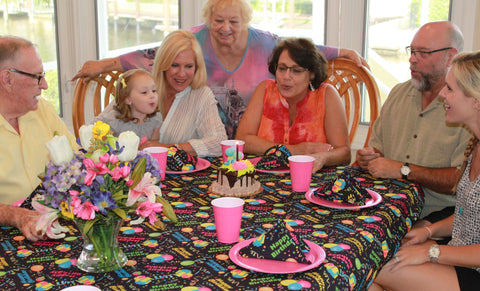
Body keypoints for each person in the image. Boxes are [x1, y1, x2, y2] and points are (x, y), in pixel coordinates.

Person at [73, 0, 367, 139]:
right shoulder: (195, 41)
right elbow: (154, 54)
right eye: (218, 20)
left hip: (248, 146)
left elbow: (302, 52)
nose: (226, 28)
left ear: (245, 22)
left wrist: (343, 52)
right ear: (208, 19)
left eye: (234, 21)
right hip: (201, 134)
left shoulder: (265, 44)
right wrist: (105, 64)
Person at [368, 51, 480, 291]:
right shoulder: (475, 144)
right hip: (459, 255)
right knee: (373, 264)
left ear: (476, 100)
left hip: (473, 270)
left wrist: (431, 252)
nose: (442, 94)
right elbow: (468, 218)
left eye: (450, 89)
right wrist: (428, 231)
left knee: (371, 267)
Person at [356, 21, 471, 223]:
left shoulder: (465, 108)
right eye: (412, 51)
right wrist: (370, 158)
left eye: (423, 53)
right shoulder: (398, 93)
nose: (412, 60)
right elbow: (378, 150)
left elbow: (461, 179)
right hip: (388, 204)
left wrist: (404, 170)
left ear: (450, 57)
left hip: (439, 214)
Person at [0, 36, 76, 240]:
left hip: (54, 224)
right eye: (37, 76)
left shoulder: (42, 110)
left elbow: (76, 161)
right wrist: (16, 216)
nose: (45, 85)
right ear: (7, 79)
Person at [236, 37, 350, 170]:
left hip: (312, 181)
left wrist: (324, 157)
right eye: (282, 68)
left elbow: (345, 154)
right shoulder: (265, 89)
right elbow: (242, 140)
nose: (286, 77)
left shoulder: (326, 95)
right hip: (264, 177)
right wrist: (293, 150)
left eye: (296, 71)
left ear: (312, 74)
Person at [138, 29, 227, 157]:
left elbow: (219, 143)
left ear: (197, 67)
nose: (181, 74)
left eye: (189, 66)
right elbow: (103, 127)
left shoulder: (202, 95)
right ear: (163, 64)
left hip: (181, 174)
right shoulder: (142, 85)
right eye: (174, 65)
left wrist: (166, 148)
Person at [95, 69, 162, 140]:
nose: (152, 95)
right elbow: (102, 145)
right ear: (128, 99)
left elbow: (153, 147)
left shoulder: (156, 119)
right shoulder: (112, 121)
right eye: (144, 92)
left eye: (154, 91)